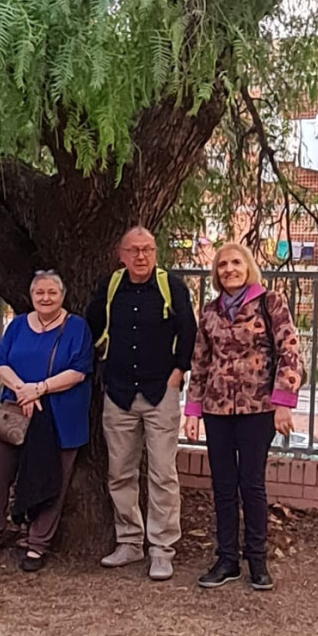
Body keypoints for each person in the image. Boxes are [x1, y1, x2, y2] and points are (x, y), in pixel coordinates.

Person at [182, 242, 302, 592]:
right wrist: (192, 411)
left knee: (251, 483)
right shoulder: (210, 311)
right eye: (222, 265)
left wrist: (283, 402)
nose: (229, 269)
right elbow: (200, 362)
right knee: (222, 485)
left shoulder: (270, 302)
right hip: (217, 409)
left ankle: (257, 560)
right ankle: (226, 559)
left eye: (236, 262)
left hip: (258, 408)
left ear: (248, 267)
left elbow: (289, 350)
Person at [85, 225, 196, 581]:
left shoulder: (171, 286)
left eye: (147, 249)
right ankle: (130, 541)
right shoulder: (110, 286)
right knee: (120, 473)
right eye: (133, 250)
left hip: (160, 392)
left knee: (163, 474)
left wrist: (178, 372)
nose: (141, 256)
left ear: (155, 252)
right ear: (121, 255)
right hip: (118, 392)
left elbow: (189, 331)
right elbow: (92, 326)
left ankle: (162, 549)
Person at [0, 269, 92, 571]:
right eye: (40, 292)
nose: (45, 297)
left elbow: (79, 371)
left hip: (61, 414)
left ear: (62, 295)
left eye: (52, 292)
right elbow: (1, 364)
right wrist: (23, 391)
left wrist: (39, 389)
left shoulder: (76, 327)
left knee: (53, 477)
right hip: (17, 411)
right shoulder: (17, 325)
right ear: (31, 295)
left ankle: (37, 543)